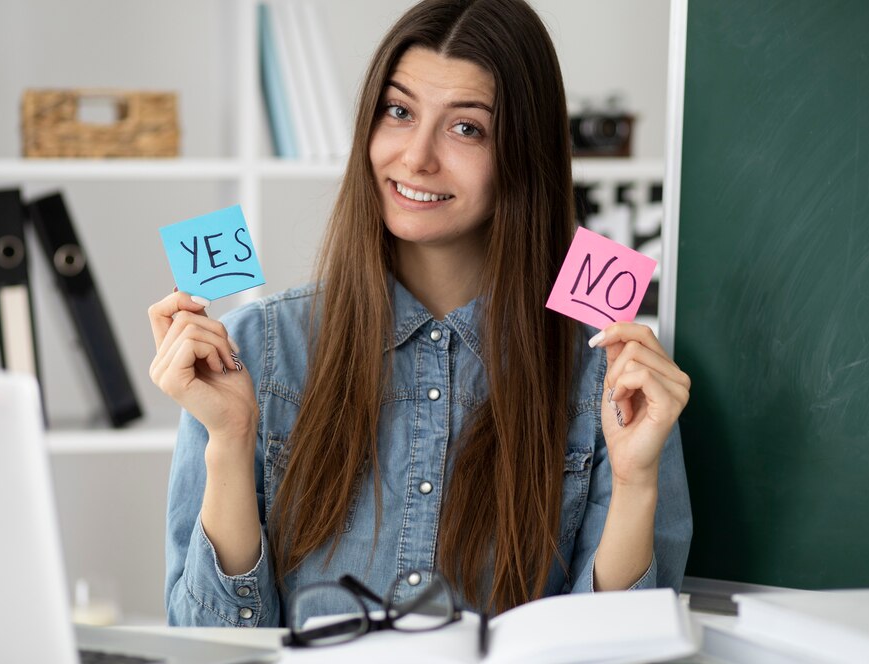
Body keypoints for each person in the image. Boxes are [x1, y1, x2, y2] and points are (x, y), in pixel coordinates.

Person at [148, 0, 692, 628]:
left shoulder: (612, 377)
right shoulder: (247, 352)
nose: (416, 158)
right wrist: (230, 442)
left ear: (523, 153)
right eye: (399, 112)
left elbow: (619, 646)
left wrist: (636, 480)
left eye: (467, 128)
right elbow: (209, 646)